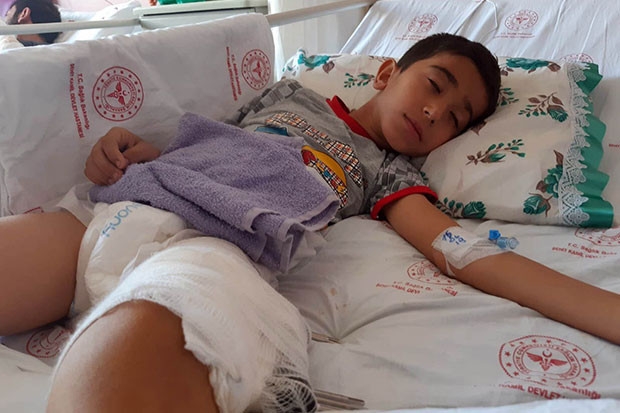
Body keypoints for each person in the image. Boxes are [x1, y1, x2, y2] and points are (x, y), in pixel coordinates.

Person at [0, 33, 617, 412]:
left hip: (213, 245)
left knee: (121, 371)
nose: (436, 113)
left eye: (456, 118)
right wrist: (135, 151)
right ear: (386, 74)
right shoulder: (287, 95)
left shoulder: (386, 173)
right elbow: (218, 150)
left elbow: (460, 250)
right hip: (118, 210)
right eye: (435, 85)